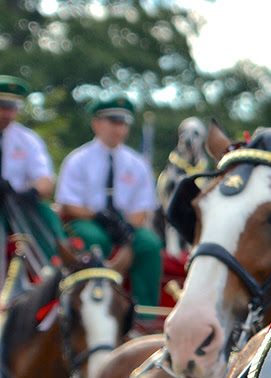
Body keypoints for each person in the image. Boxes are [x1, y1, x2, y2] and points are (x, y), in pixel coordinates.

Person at [56, 95, 162, 307]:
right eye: (113, 122)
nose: (119, 129)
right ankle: (88, 304)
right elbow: (69, 204)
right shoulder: (78, 160)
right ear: (97, 124)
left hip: (124, 221)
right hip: (88, 218)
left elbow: (141, 208)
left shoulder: (138, 164)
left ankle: (145, 311)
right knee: (94, 239)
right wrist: (97, 216)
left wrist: (129, 231)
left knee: (150, 244)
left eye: (124, 124)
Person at [0, 75, 66, 259]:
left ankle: (54, 273)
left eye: (12, 108)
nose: (8, 114)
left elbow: (46, 179)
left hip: (17, 204)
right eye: (3, 107)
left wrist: (31, 193)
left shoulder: (28, 140)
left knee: (48, 217)